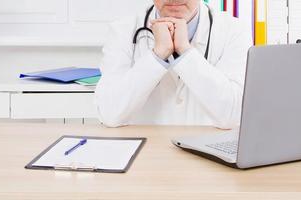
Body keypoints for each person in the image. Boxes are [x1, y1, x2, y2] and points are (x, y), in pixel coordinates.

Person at [95, 0, 252, 129]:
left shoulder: (234, 31)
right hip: (145, 155)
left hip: (207, 155)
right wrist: (158, 55)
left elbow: (233, 116)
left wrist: (185, 51)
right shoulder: (123, 30)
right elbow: (110, 114)